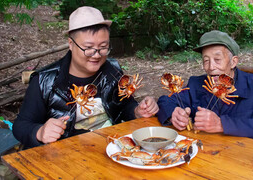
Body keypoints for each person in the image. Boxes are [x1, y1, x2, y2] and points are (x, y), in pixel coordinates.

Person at [13, 6, 158, 149]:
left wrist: (137, 111)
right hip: (65, 156)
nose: (96, 55)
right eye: (88, 48)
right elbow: (21, 126)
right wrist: (39, 132)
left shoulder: (112, 70)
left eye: (103, 47)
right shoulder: (45, 81)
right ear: (71, 44)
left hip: (109, 148)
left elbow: (124, 104)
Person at [157, 30, 253, 145]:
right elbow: (166, 100)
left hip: (246, 157)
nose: (211, 67)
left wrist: (221, 124)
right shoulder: (197, 84)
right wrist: (173, 113)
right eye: (206, 60)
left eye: (217, 59)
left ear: (233, 62)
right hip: (208, 154)